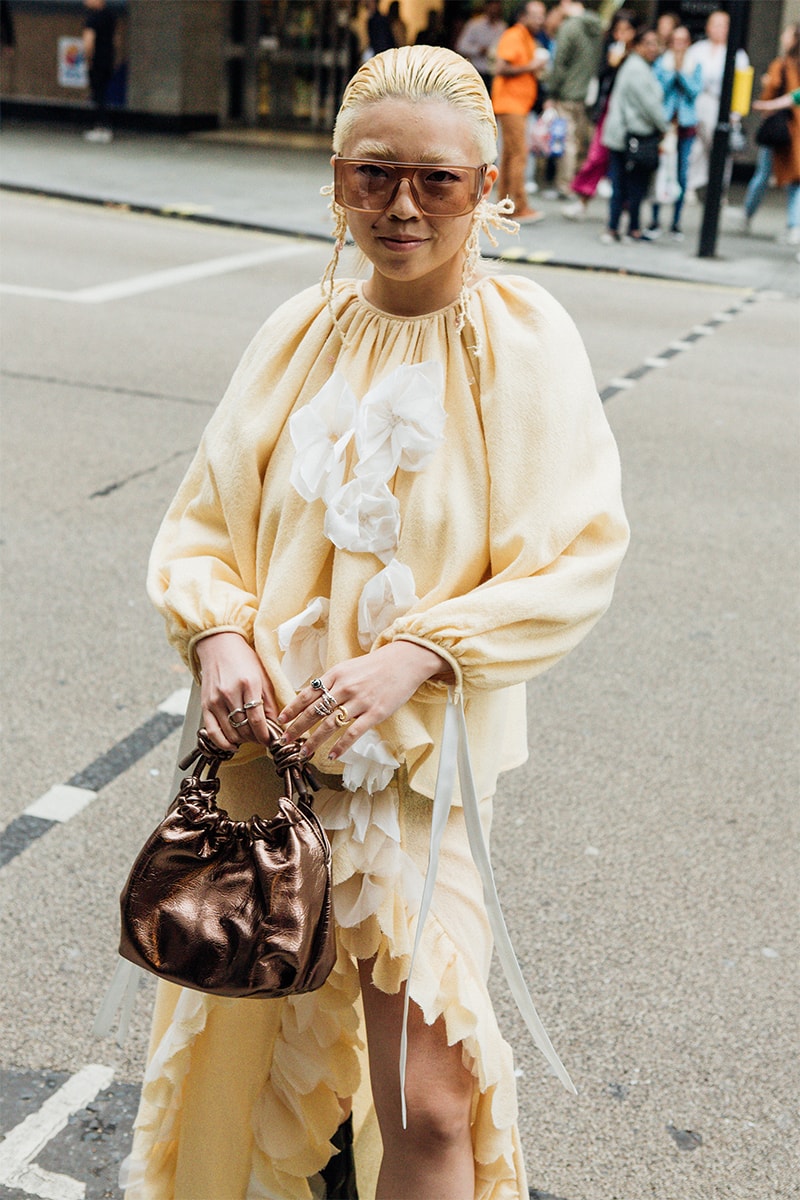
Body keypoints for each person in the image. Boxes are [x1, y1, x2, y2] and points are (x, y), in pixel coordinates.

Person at [122, 43, 629, 1200]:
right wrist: (217, 636)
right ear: (335, 185)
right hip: (265, 773)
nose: (401, 205)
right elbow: (200, 525)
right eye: (370, 175)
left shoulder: (521, 340)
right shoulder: (295, 336)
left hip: (417, 787)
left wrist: (419, 651)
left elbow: (572, 552)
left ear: (490, 187)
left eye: (437, 180)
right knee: (241, 1084)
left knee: (430, 1107)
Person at [562, 8, 637, 220]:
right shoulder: (609, 50)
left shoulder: (639, 55)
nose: (622, 35)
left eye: (627, 30)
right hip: (609, 111)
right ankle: (582, 199)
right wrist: (613, 65)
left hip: (631, 116)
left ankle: (626, 207)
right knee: (597, 155)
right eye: (618, 30)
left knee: (627, 163)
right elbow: (601, 76)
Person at [601, 27, 667, 243]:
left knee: (622, 183)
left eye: (655, 43)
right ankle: (628, 229)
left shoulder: (635, 66)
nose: (653, 48)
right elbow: (650, 105)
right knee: (632, 184)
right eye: (648, 43)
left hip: (624, 134)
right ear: (637, 46)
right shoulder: (638, 69)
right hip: (631, 136)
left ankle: (618, 228)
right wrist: (665, 126)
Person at [491, 0, 550, 222]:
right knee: (519, 155)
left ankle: (504, 204)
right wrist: (532, 67)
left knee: (509, 156)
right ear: (523, 16)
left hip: (517, 104)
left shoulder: (527, 37)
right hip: (511, 104)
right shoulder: (515, 35)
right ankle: (518, 207)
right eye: (536, 15)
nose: (540, 20)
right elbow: (501, 67)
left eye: (542, 15)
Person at [684, 9, 749, 198]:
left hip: (720, 105)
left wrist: (736, 114)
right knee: (695, 147)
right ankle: (692, 184)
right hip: (697, 103)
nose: (720, 29)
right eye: (716, 24)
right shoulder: (697, 50)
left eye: (724, 25)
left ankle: (717, 189)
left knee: (720, 148)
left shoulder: (737, 53)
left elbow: (741, 85)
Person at [744, 22, 800, 244]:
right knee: (795, 178)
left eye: (787, 33)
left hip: (780, 130)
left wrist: (767, 101)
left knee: (764, 173)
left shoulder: (782, 64)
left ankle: (748, 214)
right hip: (794, 132)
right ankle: (794, 226)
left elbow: (784, 92)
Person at [543, 0, 604, 198]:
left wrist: (552, 92)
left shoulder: (569, 27)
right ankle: (580, 182)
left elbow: (559, 63)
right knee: (581, 140)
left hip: (568, 92)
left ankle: (565, 185)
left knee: (566, 141)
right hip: (588, 93)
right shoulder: (598, 27)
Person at [648, 25, 702, 240]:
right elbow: (657, 89)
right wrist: (673, 73)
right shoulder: (662, 63)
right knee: (660, 171)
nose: (679, 45)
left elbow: (694, 91)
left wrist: (682, 73)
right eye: (675, 40)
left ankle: (676, 222)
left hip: (685, 126)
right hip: (665, 127)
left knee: (681, 174)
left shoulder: (695, 64)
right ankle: (654, 220)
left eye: (683, 40)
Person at [82, 0, 116, 143]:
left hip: (96, 60)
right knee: (103, 92)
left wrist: (87, 59)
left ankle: (100, 126)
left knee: (97, 94)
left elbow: (88, 42)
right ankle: (103, 125)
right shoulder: (110, 17)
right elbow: (115, 39)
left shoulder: (92, 19)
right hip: (108, 58)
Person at [455, 0, 507, 94]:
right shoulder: (474, 25)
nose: (494, 10)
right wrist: (479, 50)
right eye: (492, 7)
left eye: (497, 7)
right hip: (477, 72)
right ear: (486, 7)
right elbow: (461, 46)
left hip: (494, 74)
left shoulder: (502, 27)